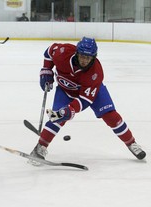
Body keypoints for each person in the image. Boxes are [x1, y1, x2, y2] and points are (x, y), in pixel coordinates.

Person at [29, 37, 146, 165]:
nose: (84, 60)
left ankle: (131, 143)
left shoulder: (95, 72)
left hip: (92, 91)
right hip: (65, 90)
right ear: (77, 53)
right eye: (82, 56)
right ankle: (40, 148)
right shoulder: (63, 52)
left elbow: (85, 100)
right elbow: (49, 52)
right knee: (57, 117)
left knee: (111, 116)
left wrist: (71, 109)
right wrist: (46, 70)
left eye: (88, 57)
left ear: (94, 57)